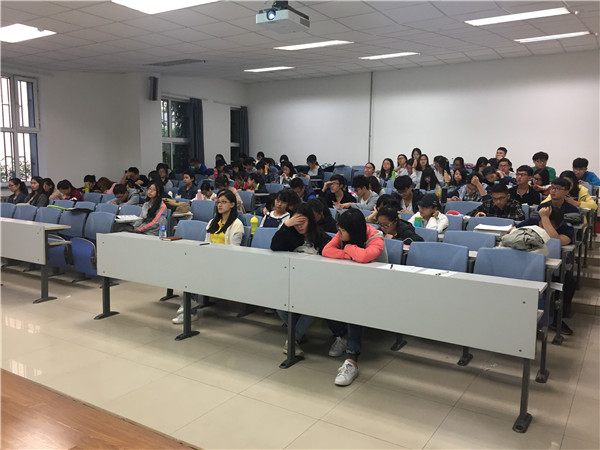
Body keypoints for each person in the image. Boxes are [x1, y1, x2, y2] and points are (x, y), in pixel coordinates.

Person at [322, 208, 386, 386]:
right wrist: (350, 254)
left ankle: (352, 359)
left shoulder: (376, 237)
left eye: (342, 231)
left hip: (376, 288)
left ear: (354, 231)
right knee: (323, 298)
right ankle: (341, 336)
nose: (339, 234)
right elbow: (326, 250)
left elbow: (365, 257)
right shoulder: (343, 232)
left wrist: (349, 248)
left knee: (355, 307)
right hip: (351, 284)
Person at [172, 189, 244, 324]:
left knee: (193, 273)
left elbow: (234, 252)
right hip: (210, 260)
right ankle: (189, 307)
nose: (220, 205)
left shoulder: (237, 225)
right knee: (188, 268)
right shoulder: (212, 222)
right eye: (218, 202)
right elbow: (206, 243)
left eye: (224, 202)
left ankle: (188, 308)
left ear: (232, 205)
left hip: (225, 263)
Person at [270, 203, 332, 356]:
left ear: (310, 220)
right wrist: (286, 225)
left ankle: (293, 340)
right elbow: (274, 246)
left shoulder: (321, 236)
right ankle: (298, 333)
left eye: (302, 221)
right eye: (295, 222)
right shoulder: (289, 235)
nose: (299, 226)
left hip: (315, 284)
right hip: (292, 281)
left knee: (311, 306)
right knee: (279, 306)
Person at [516, 205, 574, 335]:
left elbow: (555, 241)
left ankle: (556, 318)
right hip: (525, 265)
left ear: (558, 225)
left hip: (550, 269)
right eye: (541, 223)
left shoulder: (567, 227)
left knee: (569, 283)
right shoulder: (532, 222)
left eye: (549, 224)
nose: (543, 228)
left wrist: (545, 218)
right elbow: (513, 231)